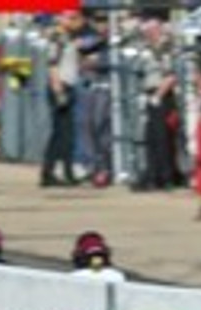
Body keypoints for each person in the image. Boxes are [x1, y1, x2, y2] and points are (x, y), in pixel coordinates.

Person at [138, 16, 180, 191]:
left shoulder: (165, 49)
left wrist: (158, 95)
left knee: (163, 138)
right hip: (149, 93)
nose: (148, 34)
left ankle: (166, 176)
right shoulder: (146, 49)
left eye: (151, 31)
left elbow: (170, 76)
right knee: (151, 136)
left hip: (162, 95)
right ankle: (152, 174)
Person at [41, 12, 81, 187]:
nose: (73, 22)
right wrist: (58, 90)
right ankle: (56, 172)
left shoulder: (68, 37)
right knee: (63, 133)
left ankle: (59, 171)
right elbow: (52, 64)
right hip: (61, 86)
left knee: (64, 133)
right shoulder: (58, 38)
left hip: (68, 85)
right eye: (70, 18)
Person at [77, 13, 113, 187]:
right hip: (90, 88)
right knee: (87, 126)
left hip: (105, 89)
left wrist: (95, 63)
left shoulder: (112, 43)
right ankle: (92, 167)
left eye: (104, 21)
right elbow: (81, 59)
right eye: (98, 21)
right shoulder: (90, 41)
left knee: (102, 127)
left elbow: (110, 64)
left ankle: (104, 168)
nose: (101, 25)